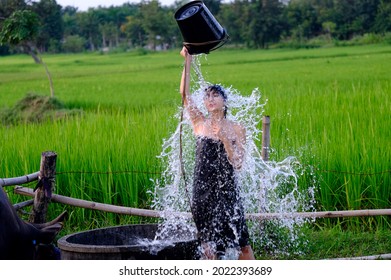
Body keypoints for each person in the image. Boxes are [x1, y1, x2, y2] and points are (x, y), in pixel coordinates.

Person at [179, 47, 255, 260]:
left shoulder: (237, 128)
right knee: (208, 247)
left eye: (215, 95)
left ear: (225, 101)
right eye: (207, 96)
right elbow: (184, 94)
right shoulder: (199, 123)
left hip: (228, 191)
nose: (210, 99)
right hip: (202, 192)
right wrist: (188, 60)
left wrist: (224, 138)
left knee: (244, 246)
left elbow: (238, 163)